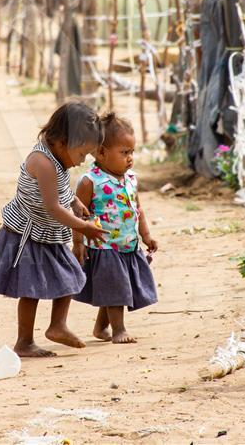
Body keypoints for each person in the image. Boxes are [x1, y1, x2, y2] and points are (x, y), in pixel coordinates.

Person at [0, 101, 107, 357]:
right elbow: (53, 207)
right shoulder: (43, 163)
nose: (82, 161)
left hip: (47, 233)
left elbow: (61, 190)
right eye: (82, 154)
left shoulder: (57, 160)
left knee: (71, 275)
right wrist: (84, 227)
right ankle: (24, 342)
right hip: (27, 236)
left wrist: (75, 201)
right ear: (62, 142)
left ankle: (57, 325)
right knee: (30, 290)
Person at [73, 113, 158, 344]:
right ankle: (119, 330)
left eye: (132, 152)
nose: (130, 158)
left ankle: (101, 327)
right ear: (101, 153)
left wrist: (146, 235)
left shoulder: (131, 178)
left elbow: (138, 208)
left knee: (117, 286)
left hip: (127, 243)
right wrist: (78, 242)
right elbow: (78, 216)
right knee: (116, 287)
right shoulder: (90, 181)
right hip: (104, 246)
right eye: (124, 152)